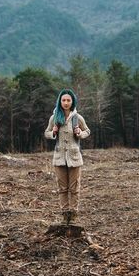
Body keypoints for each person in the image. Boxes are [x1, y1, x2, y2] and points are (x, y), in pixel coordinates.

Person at [44, 88, 90, 224]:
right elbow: (46, 133)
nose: (65, 102)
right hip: (59, 158)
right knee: (62, 188)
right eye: (63, 100)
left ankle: (74, 215)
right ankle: (65, 216)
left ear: (72, 101)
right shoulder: (54, 117)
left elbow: (87, 131)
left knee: (74, 188)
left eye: (68, 100)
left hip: (75, 158)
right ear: (60, 101)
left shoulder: (77, 117)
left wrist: (80, 133)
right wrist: (53, 132)